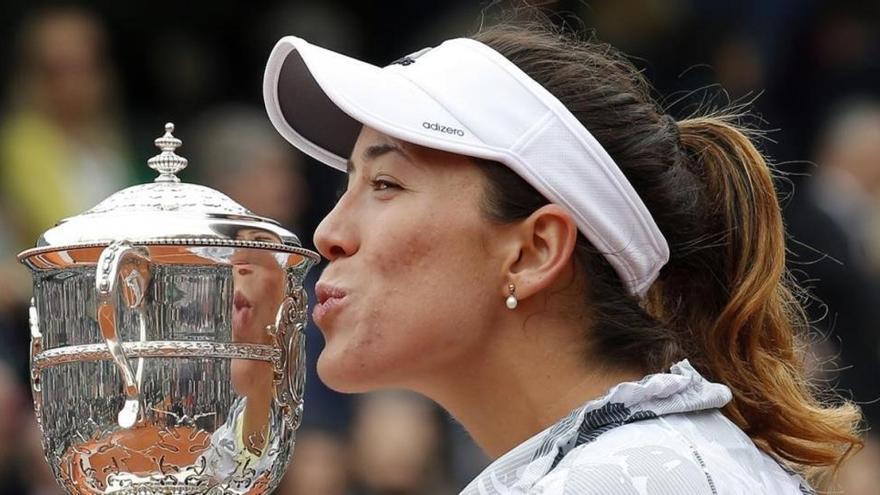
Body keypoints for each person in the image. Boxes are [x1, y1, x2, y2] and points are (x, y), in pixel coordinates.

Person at [261, 19, 862, 494]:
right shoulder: (632, 465)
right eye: (347, 187)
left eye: (385, 184)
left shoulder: (623, 479)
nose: (327, 233)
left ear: (534, 251)